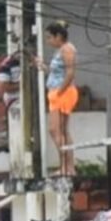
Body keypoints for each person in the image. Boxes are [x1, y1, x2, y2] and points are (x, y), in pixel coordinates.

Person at [37, 20, 78, 177]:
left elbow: (70, 73)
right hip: (58, 92)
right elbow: (56, 73)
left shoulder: (67, 49)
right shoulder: (60, 50)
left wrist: (59, 92)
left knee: (54, 130)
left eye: (49, 37)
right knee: (61, 130)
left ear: (58, 36)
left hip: (63, 93)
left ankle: (67, 166)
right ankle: (68, 167)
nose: (48, 41)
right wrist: (42, 66)